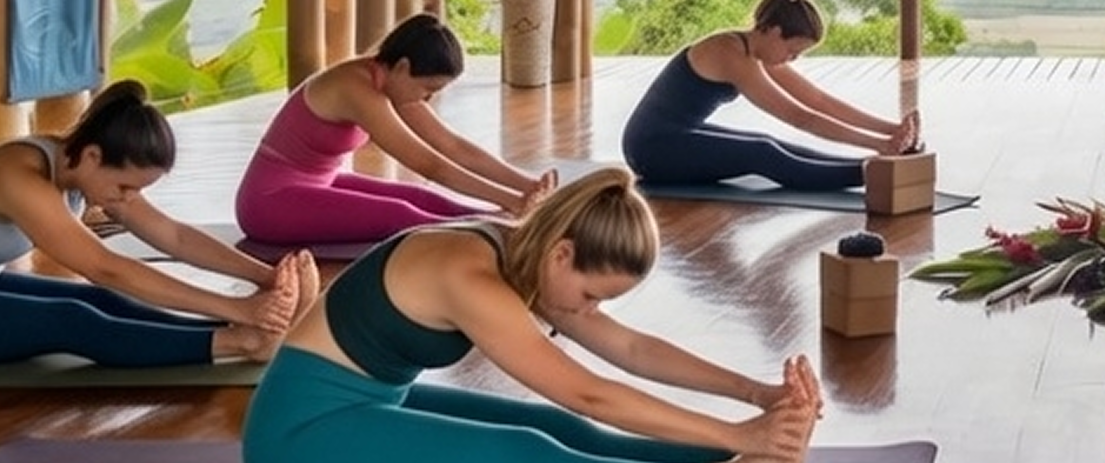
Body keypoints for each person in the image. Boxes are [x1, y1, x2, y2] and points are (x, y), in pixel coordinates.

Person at [243, 167, 822, 463]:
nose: (589, 312)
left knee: (559, 431)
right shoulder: (468, 273)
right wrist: (738, 429)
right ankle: (741, 452)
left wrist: (757, 399)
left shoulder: (528, 256)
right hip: (297, 437)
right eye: (592, 295)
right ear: (563, 252)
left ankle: (732, 459)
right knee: (525, 453)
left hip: (369, 404)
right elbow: (589, 392)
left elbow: (631, 349)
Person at [0, 82, 315, 370]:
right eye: (126, 188)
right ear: (93, 156)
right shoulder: (20, 175)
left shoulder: (83, 170)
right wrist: (240, 311)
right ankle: (239, 341)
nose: (127, 200)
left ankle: (236, 333)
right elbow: (104, 265)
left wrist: (265, 277)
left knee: (99, 302)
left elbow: (171, 235)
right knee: (71, 319)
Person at [236, 14, 556, 246]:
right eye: (427, 88)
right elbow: (429, 165)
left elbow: (451, 146)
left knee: (422, 198)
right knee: (401, 214)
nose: (428, 98)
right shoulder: (356, 88)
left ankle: (501, 222)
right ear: (403, 67)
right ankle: (503, 228)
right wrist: (512, 202)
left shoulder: (390, 81)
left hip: (320, 183)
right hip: (270, 202)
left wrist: (528, 187)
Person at [623, 0, 922, 191]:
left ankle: (874, 167)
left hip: (675, 134)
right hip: (650, 149)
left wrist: (891, 130)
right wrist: (880, 147)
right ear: (775, 32)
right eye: (793, 51)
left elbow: (817, 100)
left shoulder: (756, 51)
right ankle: (875, 173)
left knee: (766, 141)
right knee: (761, 152)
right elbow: (801, 117)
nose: (791, 59)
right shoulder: (730, 54)